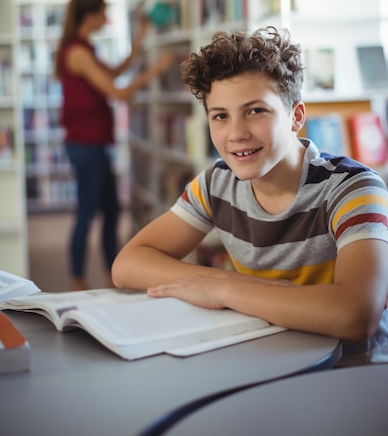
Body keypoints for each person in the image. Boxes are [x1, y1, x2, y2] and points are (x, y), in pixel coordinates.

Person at [112, 26, 388, 365]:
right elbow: (127, 264)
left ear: (295, 117)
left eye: (256, 111)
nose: (237, 134)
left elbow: (356, 315)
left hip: (351, 372)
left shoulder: (353, 188)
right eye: (221, 117)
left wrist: (225, 292)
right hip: (265, 361)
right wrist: (226, 282)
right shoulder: (217, 183)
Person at [55, 0, 173, 291]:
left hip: (94, 144)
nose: (106, 20)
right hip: (85, 146)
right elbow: (117, 92)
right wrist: (154, 71)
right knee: (86, 214)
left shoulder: (85, 49)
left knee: (111, 211)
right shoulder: (77, 52)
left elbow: (116, 71)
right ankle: (78, 283)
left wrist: (142, 37)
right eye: (103, 14)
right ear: (90, 16)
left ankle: (113, 276)